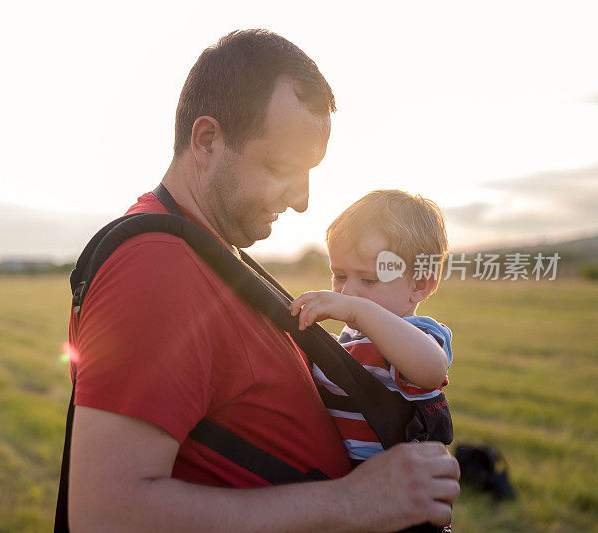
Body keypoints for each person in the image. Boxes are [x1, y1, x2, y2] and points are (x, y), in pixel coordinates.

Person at [67, 30, 460, 531]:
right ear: (207, 141)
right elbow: (105, 515)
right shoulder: (155, 266)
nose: (302, 200)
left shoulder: (209, 253)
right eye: (281, 167)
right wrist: (352, 502)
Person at [289, 190, 453, 464]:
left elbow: (432, 371)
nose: (348, 290)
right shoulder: (351, 338)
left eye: (368, 280)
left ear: (419, 285)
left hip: (401, 484)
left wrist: (359, 309)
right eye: (339, 276)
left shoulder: (418, 334)